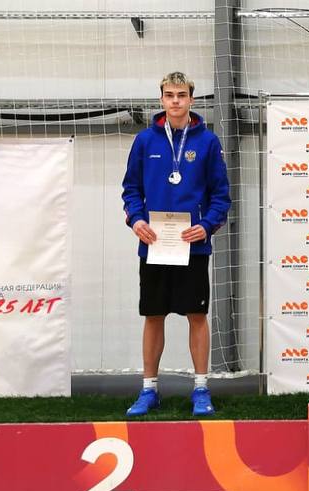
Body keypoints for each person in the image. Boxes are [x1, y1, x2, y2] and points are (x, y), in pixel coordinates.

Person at [120, 71, 231, 417]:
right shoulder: (144, 141)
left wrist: (206, 226)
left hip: (191, 245)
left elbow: (221, 195)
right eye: (169, 95)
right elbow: (131, 190)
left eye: (181, 95)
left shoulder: (208, 142)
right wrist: (136, 220)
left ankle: (201, 388)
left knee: (197, 314)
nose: (175, 101)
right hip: (155, 243)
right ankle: (149, 389)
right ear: (161, 99)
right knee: (153, 315)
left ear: (191, 99)